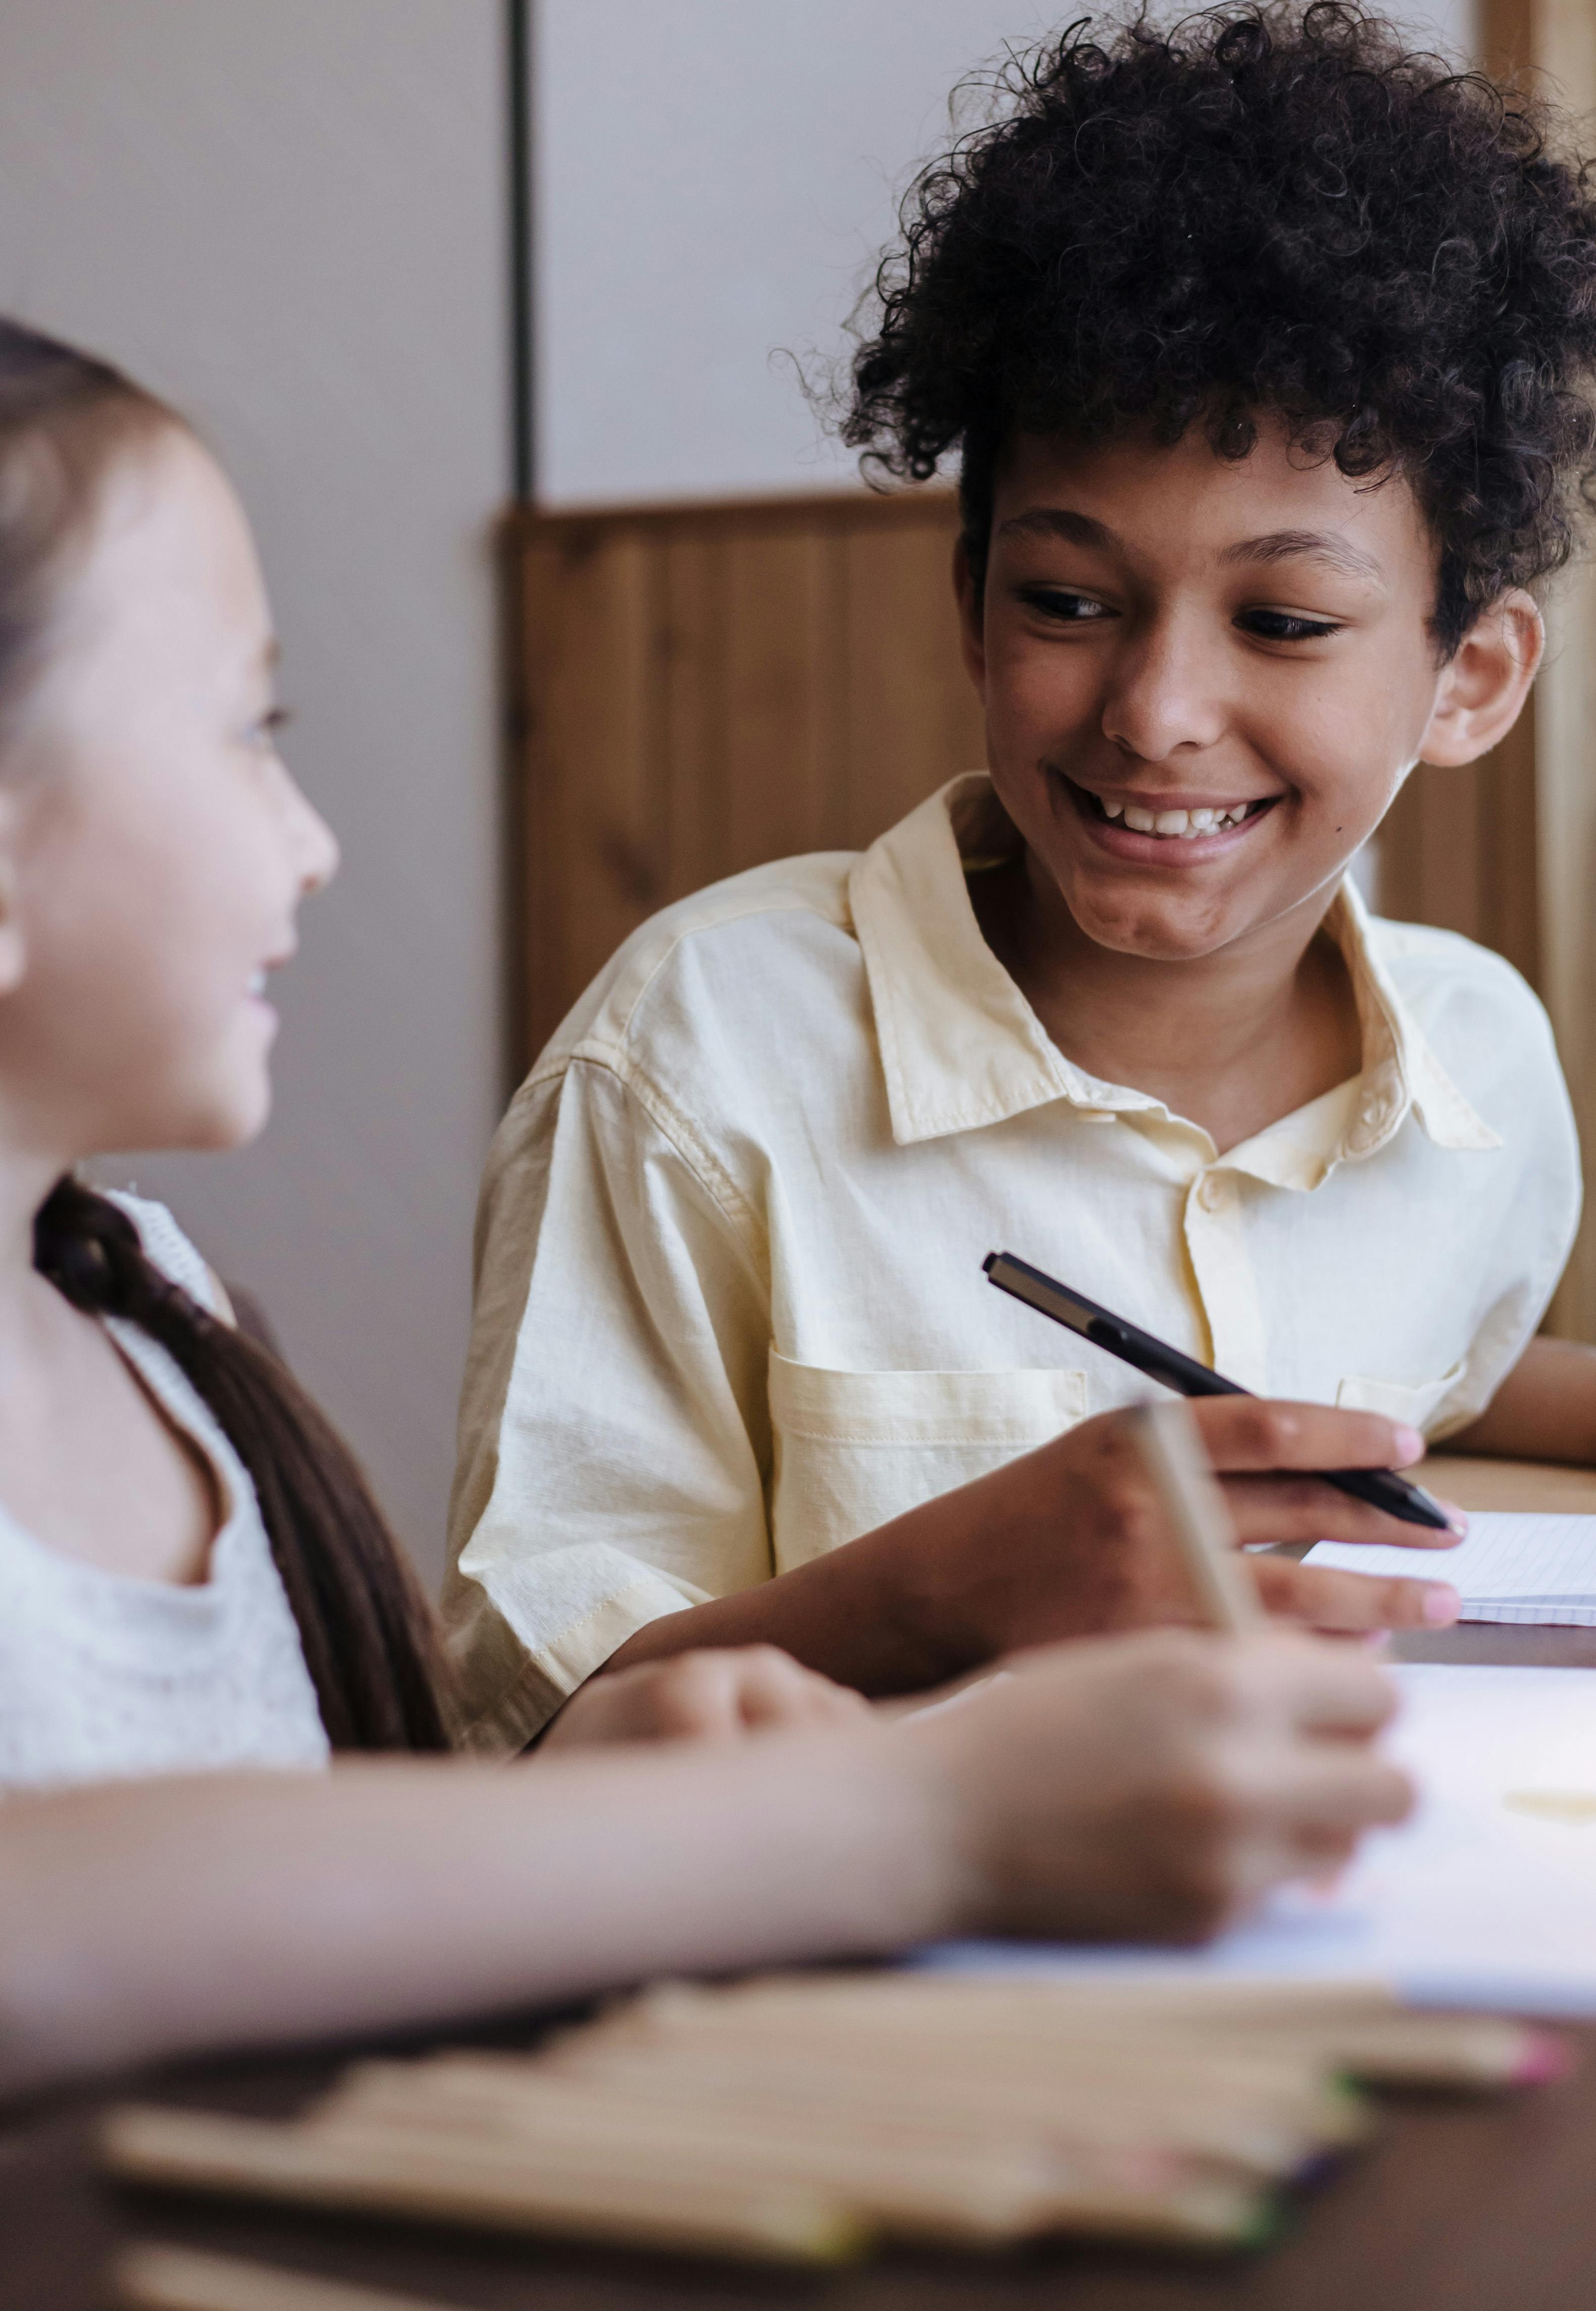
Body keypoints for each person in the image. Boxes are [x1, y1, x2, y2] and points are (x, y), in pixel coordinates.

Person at [0, 316, 1411, 2096]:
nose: (313, 840)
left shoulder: (150, 1314)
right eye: (243, 733)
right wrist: (914, 1817)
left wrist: (615, 1780)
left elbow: (325, 1882)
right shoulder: (699, 1037)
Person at [445, 0, 1596, 1754]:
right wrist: (953, 1585)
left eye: (1283, 620)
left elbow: (1423, 1362)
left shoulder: (1483, 1074)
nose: (1156, 711)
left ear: (1473, 678)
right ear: (970, 605)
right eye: (1068, 601)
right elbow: (536, 1724)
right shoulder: (701, 1055)